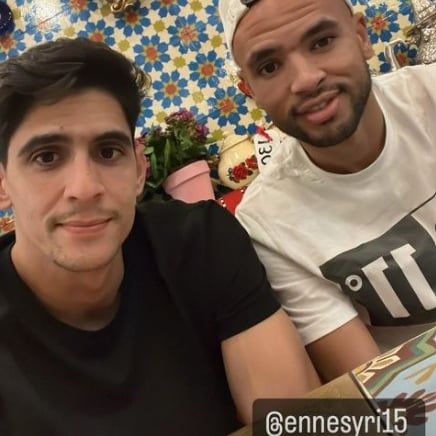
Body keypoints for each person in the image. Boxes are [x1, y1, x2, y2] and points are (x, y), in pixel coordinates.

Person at [0, 38, 320, 435]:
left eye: (108, 152)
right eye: (47, 157)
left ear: (138, 169)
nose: (84, 188)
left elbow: (295, 423)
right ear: (3, 183)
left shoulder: (201, 244)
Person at [218, 0, 436, 382]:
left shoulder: (429, 96)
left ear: (361, 36)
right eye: (269, 66)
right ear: (249, 90)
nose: (305, 79)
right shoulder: (269, 223)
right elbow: (378, 386)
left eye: (321, 42)